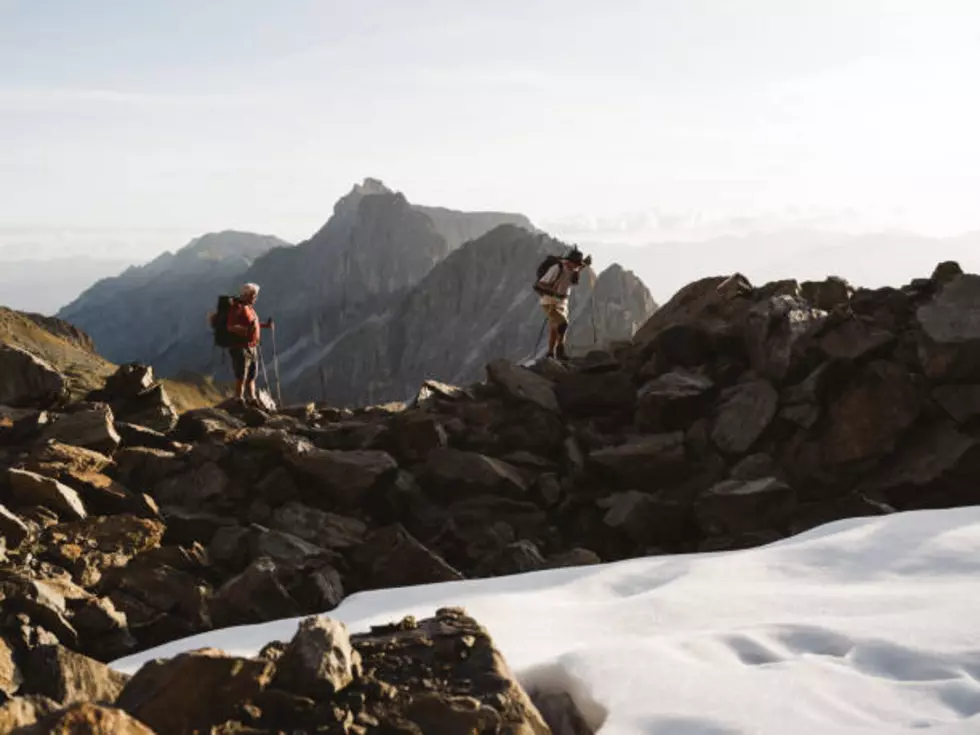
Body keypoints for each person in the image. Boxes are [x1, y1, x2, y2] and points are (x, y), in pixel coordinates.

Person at [535, 247, 591, 360]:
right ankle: (560, 352)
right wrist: (553, 292)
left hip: (562, 302)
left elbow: (579, 269)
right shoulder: (557, 268)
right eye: (576, 264)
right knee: (563, 323)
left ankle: (550, 353)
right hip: (550, 302)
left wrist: (584, 264)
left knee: (555, 328)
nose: (576, 267)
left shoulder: (574, 269)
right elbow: (540, 284)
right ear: (569, 261)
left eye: (578, 265)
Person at [226, 283, 273, 404]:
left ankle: (252, 399)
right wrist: (245, 330)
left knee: (252, 375)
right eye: (254, 295)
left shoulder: (249, 307)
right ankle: (239, 399)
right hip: (240, 347)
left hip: (252, 346)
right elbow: (230, 326)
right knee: (242, 375)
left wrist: (265, 326)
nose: (255, 298)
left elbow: (253, 324)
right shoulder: (237, 307)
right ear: (246, 295)